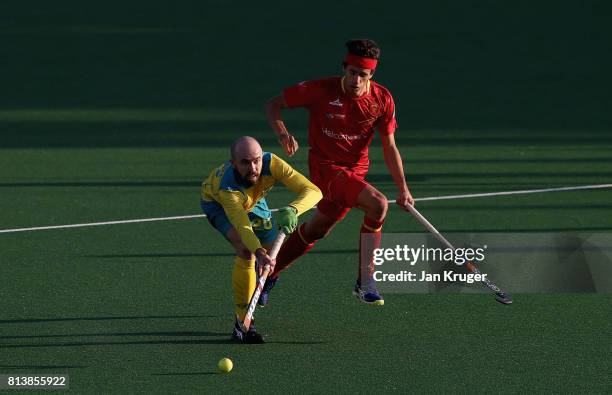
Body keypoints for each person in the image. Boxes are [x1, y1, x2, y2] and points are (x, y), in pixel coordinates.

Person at [262, 39, 415, 306]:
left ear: (371, 75)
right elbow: (274, 104)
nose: (356, 80)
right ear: (344, 68)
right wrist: (283, 133)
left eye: (363, 75)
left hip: (354, 173)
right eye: (352, 72)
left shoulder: (382, 99)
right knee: (378, 204)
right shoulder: (320, 89)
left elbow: (390, 147)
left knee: (317, 229)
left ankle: (268, 275)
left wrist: (403, 189)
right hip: (324, 169)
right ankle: (365, 279)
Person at [200, 136, 322, 343]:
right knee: (245, 250)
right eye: (245, 162)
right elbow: (243, 226)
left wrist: (294, 210)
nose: (254, 167)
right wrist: (258, 252)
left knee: (270, 249)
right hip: (218, 204)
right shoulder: (227, 189)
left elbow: (314, 191)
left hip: (254, 199)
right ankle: (243, 323)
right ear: (234, 163)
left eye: (256, 160)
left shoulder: (271, 163)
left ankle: (265, 281)